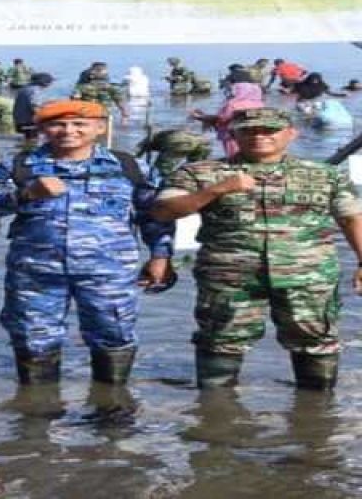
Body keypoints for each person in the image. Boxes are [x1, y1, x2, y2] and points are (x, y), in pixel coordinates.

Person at [152, 107, 362, 390]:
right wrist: (215, 190)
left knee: (316, 342)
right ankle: (216, 420)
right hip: (230, 278)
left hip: (307, 277)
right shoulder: (200, 172)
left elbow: (350, 218)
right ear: (233, 134)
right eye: (249, 131)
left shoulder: (324, 175)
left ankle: (316, 419)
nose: (259, 136)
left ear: (290, 134)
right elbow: (164, 211)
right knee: (220, 342)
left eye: (269, 130)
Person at [0, 100, 175, 385]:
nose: (68, 131)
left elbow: (155, 214)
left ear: (100, 127)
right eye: (57, 124)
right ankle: (37, 413)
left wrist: (160, 256)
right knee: (33, 339)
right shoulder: (20, 166)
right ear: (42, 129)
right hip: (36, 272)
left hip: (109, 273)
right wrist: (24, 195)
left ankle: (111, 408)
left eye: (80, 124)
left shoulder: (128, 166)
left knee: (114, 335)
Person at [190, 82, 263, 158]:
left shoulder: (232, 104)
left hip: (231, 135)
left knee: (234, 155)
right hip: (252, 134)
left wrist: (199, 117)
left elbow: (221, 119)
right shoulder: (259, 104)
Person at [12, 72, 54, 143]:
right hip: (29, 123)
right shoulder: (35, 90)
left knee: (28, 141)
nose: (50, 85)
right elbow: (35, 108)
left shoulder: (25, 89)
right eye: (50, 82)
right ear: (45, 82)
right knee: (34, 142)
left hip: (20, 122)